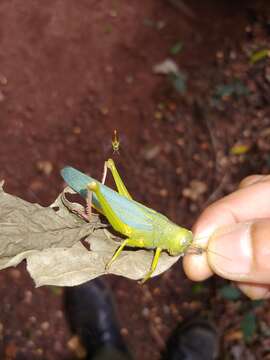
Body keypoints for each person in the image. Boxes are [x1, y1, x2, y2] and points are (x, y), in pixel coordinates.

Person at [65, 174, 270, 359]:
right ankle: (106, 350)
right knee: (124, 231)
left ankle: (104, 350)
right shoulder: (163, 238)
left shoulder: (171, 235)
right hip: (128, 223)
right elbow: (128, 240)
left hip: (142, 220)